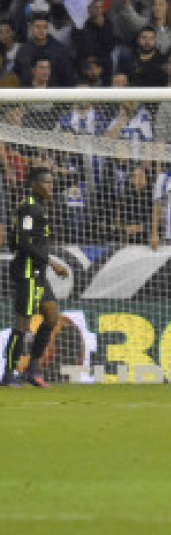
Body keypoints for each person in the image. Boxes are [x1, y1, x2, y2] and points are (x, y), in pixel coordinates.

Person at [3, 165, 70, 387]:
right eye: (46, 182)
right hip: (27, 272)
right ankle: (9, 373)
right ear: (34, 185)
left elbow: (19, 240)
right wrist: (52, 262)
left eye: (52, 182)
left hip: (38, 272)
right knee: (23, 323)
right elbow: (21, 242)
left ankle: (32, 369)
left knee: (52, 316)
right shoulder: (29, 208)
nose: (51, 186)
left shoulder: (39, 207)